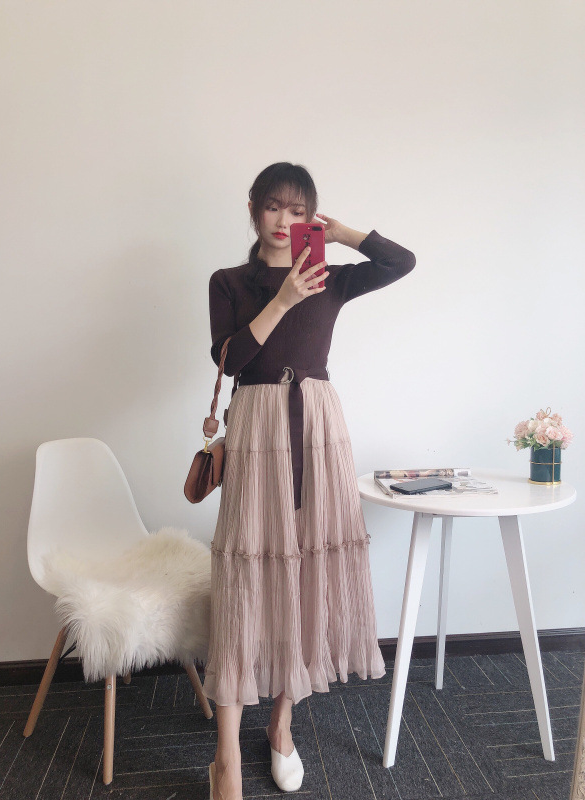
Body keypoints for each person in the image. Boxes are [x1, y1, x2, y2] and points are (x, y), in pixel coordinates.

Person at [204, 162, 415, 800]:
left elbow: (401, 262)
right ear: (253, 209)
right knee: (245, 573)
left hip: (317, 429)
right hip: (257, 427)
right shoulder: (229, 281)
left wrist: (343, 234)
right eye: (274, 207)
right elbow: (231, 360)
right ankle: (225, 760)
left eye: (298, 212)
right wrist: (284, 300)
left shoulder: (330, 275)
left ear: (311, 217)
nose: (284, 221)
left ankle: (281, 725)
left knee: (305, 573)